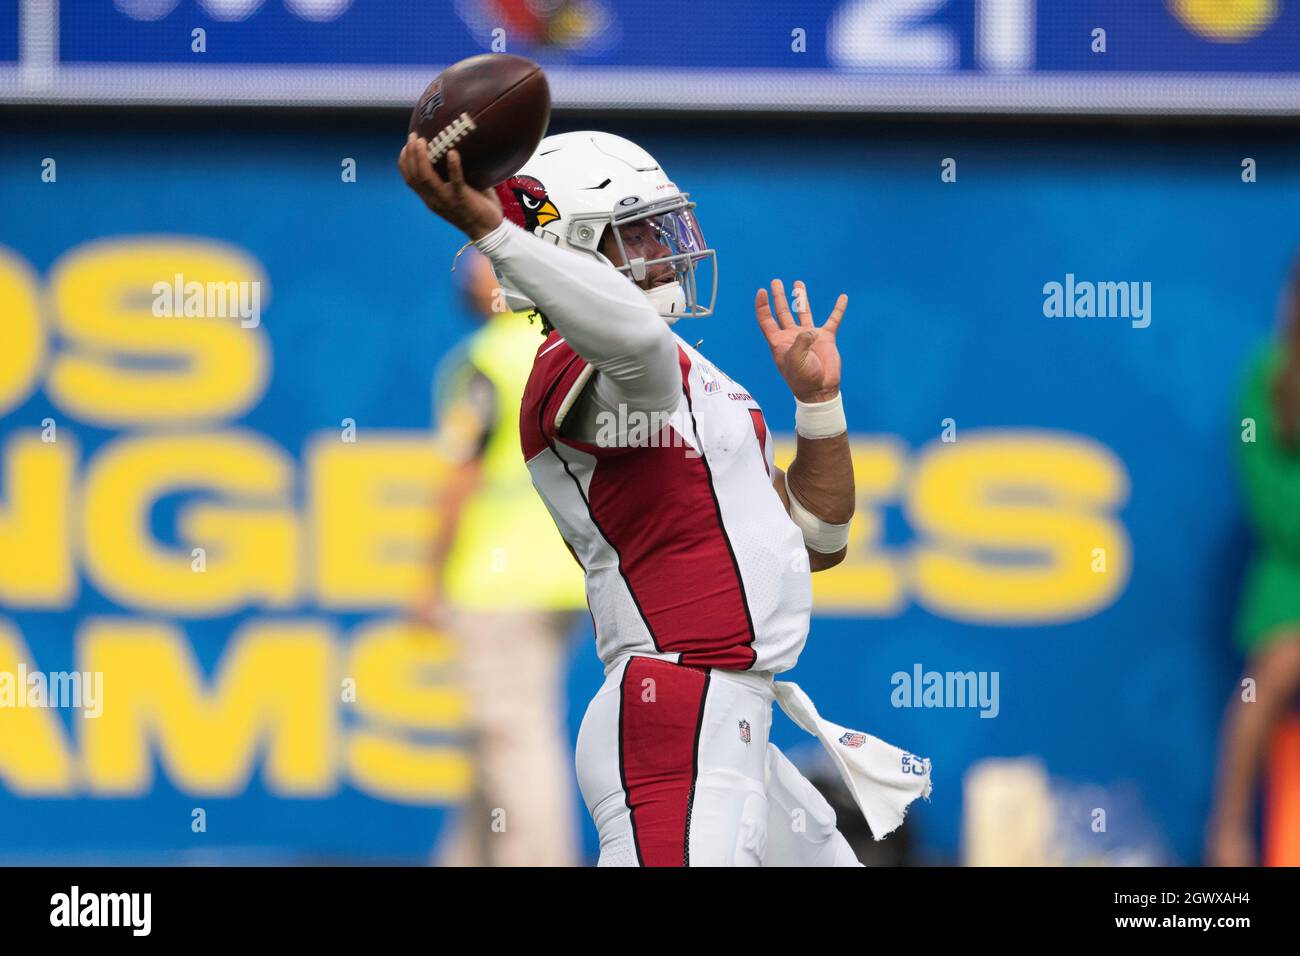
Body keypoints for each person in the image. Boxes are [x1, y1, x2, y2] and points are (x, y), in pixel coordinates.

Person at [399, 129, 927, 866]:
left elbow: (817, 541)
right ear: (574, 247)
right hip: (676, 710)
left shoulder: (692, 374)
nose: (664, 246)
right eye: (637, 232)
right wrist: (494, 228)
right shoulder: (570, 365)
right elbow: (634, 352)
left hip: (735, 712)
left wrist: (819, 407)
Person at [418, 248, 587, 866]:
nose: (464, 270)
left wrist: (426, 579)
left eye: (481, 257)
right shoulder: (565, 351)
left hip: (499, 582)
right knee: (497, 739)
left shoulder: (488, 358)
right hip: (567, 574)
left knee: (512, 741)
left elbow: (459, 479)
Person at [1207, 257, 1300, 867]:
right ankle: (1229, 833)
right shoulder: (1264, 377)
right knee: (1280, 660)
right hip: (1287, 578)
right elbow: (1274, 508)